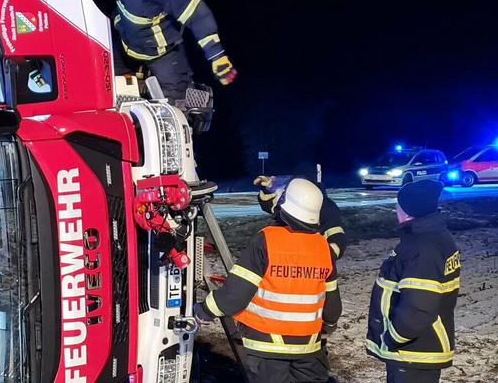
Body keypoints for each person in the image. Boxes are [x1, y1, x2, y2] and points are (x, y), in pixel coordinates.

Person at [195, 178, 341, 383]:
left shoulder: (266, 240)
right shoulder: (323, 247)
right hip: (309, 349)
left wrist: (202, 311)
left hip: (266, 349)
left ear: (284, 205)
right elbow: (332, 306)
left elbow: (235, 295)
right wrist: (329, 327)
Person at [76, 0, 236, 100]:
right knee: (101, 83)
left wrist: (217, 55)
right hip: (127, 44)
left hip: (161, 52)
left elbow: (198, 17)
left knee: (176, 101)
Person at [365, 180, 458, 383]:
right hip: (419, 348)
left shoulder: (421, 248)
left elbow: (419, 307)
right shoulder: (436, 237)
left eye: (398, 206)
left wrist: (394, 337)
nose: (395, 210)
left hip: (413, 350)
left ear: (407, 211)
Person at [255, 162, 349, 259]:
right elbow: (270, 204)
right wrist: (267, 188)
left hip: (307, 259)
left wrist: (327, 258)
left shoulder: (326, 206)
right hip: (289, 258)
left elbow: (336, 237)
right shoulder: (293, 199)